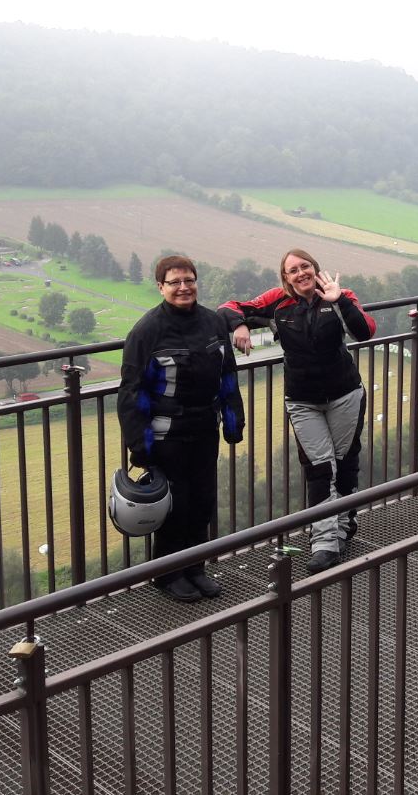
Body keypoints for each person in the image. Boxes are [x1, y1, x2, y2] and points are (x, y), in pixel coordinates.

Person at [218, 248, 376, 573]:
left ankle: (344, 526)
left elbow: (365, 331)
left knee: (344, 464)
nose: (301, 273)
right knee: (319, 468)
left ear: (316, 268)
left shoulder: (340, 295)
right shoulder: (278, 301)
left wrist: (338, 300)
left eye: (305, 266)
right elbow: (229, 307)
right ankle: (324, 543)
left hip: (345, 394)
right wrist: (239, 326)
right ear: (285, 278)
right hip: (302, 401)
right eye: (293, 270)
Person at [118, 254, 245, 603]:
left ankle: (195, 568)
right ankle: (167, 574)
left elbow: (227, 373)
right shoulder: (147, 331)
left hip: (204, 427)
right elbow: (131, 391)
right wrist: (139, 444)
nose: (183, 287)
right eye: (174, 282)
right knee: (175, 505)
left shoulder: (213, 323)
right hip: (165, 433)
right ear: (160, 287)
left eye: (189, 280)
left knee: (202, 501)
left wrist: (234, 418)